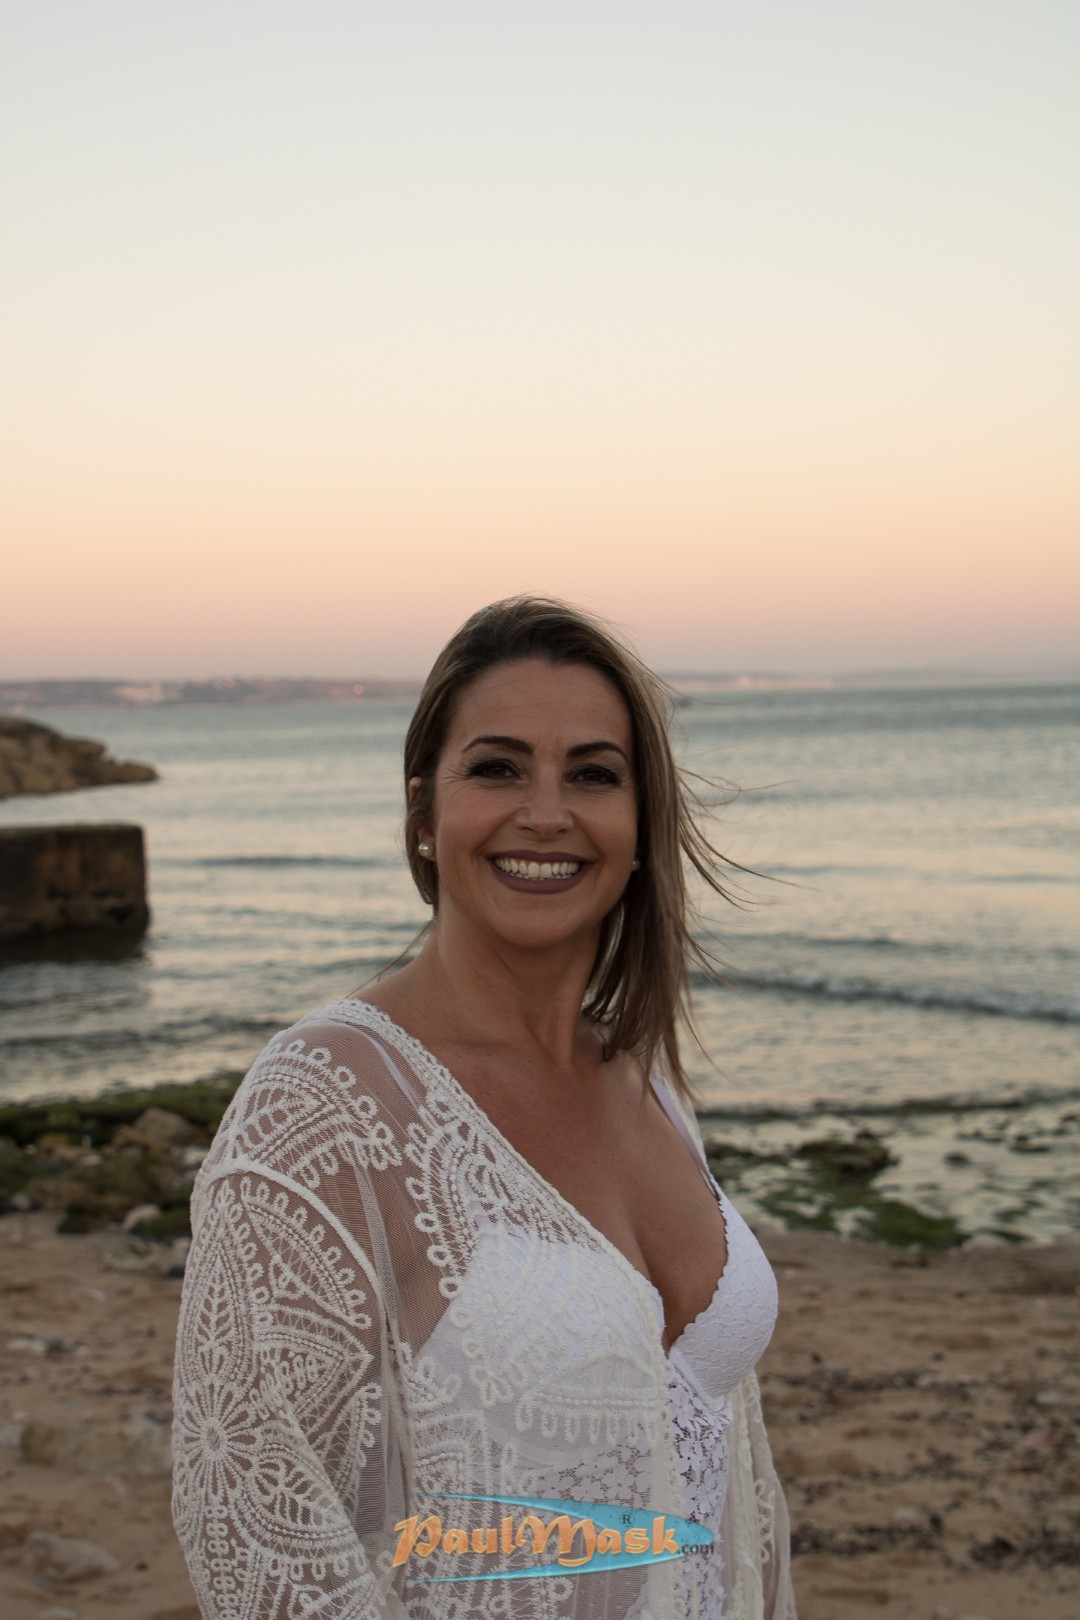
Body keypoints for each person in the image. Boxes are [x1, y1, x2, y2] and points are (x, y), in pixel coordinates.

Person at [172, 596, 797, 1620]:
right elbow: (248, 1515)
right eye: (498, 768)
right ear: (423, 814)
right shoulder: (324, 1101)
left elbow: (735, 1482)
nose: (545, 813)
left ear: (642, 826)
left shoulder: (647, 1081)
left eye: (593, 774)